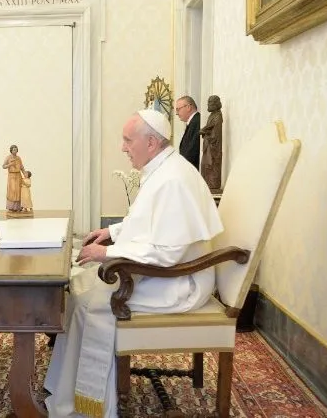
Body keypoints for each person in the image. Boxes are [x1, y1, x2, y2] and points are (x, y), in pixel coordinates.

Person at [43, 109, 223, 418]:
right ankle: (64, 388)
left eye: (128, 140)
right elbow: (147, 224)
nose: (122, 148)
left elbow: (167, 253)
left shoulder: (173, 181)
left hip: (179, 283)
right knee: (80, 287)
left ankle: (87, 407)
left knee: (88, 301)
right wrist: (111, 232)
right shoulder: (163, 169)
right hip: (163, 273)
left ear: (151, 142)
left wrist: (108, 254)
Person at [199, 95, 223, 192]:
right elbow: (208, 127)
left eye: (210, 103)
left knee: (211, 167)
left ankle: (213, 185)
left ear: (216, 104)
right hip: (208, 147)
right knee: (205, 166)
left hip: (213, 149)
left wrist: (204, 133)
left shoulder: (218, 116)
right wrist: (204, 131)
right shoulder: (212, 115)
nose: (208, 105)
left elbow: (215, 136)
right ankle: (208, 184)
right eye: (208, 102)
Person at [175, 96, 200, 170]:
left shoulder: (197, 121)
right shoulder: (193, 121)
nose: (176, 113)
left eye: (178, 109)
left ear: (188, 107)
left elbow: (192, 151)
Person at [2, 144, 26, 212]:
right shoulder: (8, 157)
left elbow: (22, 167)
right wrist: (10, 164)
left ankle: (18, 207)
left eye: (16, 149)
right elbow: (3, 166)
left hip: (18, 175)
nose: (15, 151)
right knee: (12, 190)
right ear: (11, 150)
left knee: (18, 190)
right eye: (14, 149)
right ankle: (11, 207)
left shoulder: (18, 158)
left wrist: (25, 174)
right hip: (11, 176)